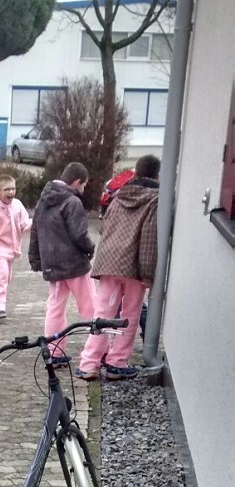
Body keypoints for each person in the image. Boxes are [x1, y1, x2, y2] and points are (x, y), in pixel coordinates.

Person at [76, 154, 160, 382]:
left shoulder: (118, 195)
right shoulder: (156, 200)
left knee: (102, 313)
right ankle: (116, 363)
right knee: (129, 315)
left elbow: (105, 229)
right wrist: (148, 274)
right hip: (133, 266)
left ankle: (88, 364)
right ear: (157, 175)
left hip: (108, 262)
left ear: (136, 172)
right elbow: (150, 238)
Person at [28, 161, 96, 368]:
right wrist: (90, 248)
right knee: (91, 306)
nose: (83, 190)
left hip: (53, 265)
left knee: (55, 308)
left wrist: (35, 259)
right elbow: (79, 234)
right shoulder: (72, 202)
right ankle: (98, 351)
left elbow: (35, 231)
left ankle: (54, 352)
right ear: (77, 182)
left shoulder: (43, 200)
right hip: (75, 265)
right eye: (84, 185)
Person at [0, 174, 32, 319]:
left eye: (13, 189)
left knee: (5, 277)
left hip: (10, 249)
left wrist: (35, 223)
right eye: (7, 190)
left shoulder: (17, 205)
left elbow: (24, 223)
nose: (11, 192)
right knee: (1, 276)